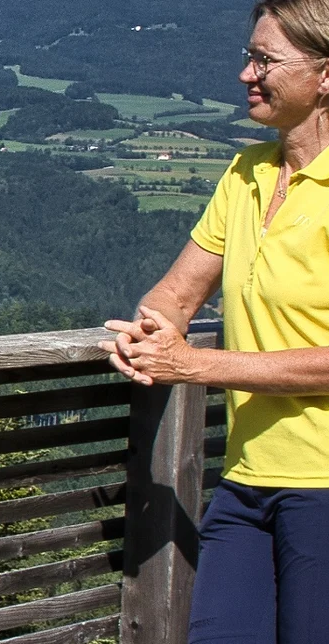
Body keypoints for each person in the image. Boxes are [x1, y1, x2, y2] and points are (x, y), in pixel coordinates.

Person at [102, 1, 329, 639]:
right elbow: (177, 294)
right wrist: (145, 337)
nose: (245, 75)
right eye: (247, 56)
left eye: (265, 60)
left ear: (325, 75)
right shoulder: (246, 174)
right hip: (245, 479)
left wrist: (195, 364)